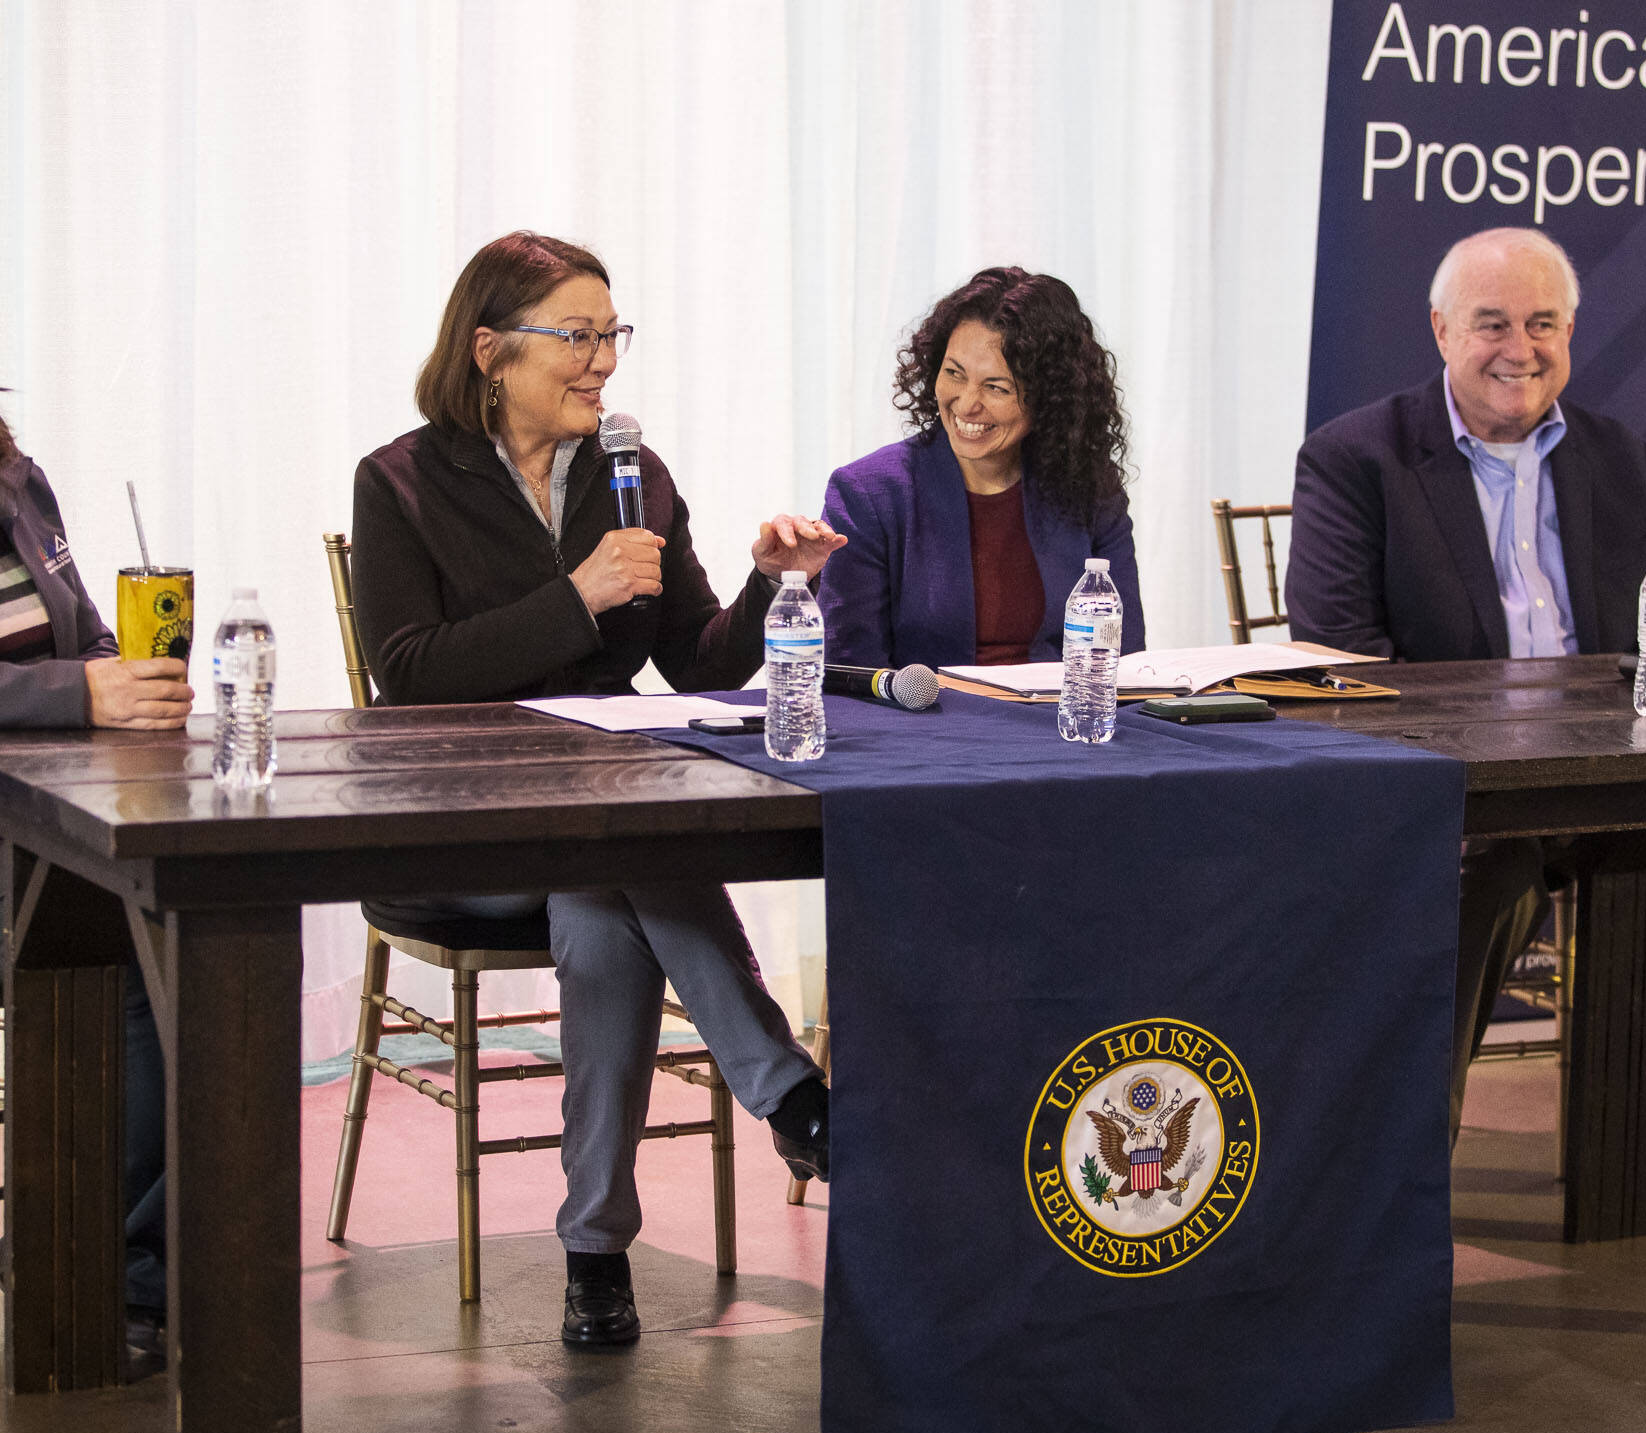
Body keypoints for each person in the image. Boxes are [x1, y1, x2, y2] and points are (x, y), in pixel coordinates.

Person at [351, 232, 846, 1348]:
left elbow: (702, 664)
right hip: (457, 823)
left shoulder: (635, 474)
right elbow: (411, 672)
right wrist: (574, 600)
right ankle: (788, 1094)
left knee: (603, 914)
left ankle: (594, 1251)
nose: (602, 363)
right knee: (621, 855)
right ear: (490, 349)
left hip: (595, 831)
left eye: (611, 334)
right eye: (576, 336)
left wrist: (773, 586)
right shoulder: (399, 480)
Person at [1285, 227, 1646, 1217]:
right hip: (1462, 795)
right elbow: (1339, 661)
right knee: (1474, 880)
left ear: (1569, 332)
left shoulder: (1615, 456)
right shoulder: (1353, 459)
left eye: (1541, 324)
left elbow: (1640, 643)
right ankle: (1400, 1182)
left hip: (1609, 782)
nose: (1517, 348)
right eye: (1490, 323)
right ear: (1440, 329)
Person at [0, 393, 195, 1377]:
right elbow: (60, 676)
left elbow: (75, 633)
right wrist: (78, 694)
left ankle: (117, 1263)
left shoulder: (18, 478)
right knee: (132, 973)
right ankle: (112, 1272)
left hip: (41, 812)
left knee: (188, 952)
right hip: (18, 830)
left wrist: (125, 675)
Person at [817, 266, 1144, 668]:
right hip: (925, 727)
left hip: (1061, 724)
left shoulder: (1090, 488)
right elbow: (849, 676)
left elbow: (1124, 658)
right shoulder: (866, 493)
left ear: (1050, 398)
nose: (967, 403)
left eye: (996, 387)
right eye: (954, 373)